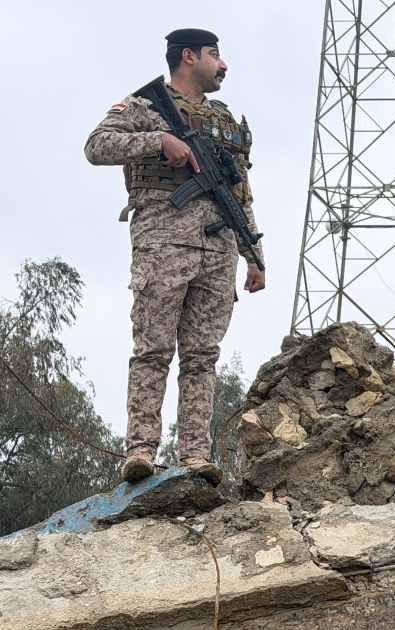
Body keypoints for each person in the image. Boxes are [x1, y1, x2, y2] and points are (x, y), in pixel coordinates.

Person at [84, 28, 265, 485]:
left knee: (203, 358)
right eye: (215, 55)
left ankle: (195, 456)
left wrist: (255, 255)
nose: (223, 65)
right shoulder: (145, 107)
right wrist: (158, 142)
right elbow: (96, 146)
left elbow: (241, 195)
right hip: (163, 245)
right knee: (153, 351)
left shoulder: (224, 121)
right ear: (189, 57)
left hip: (218, 251)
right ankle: (141, 451)